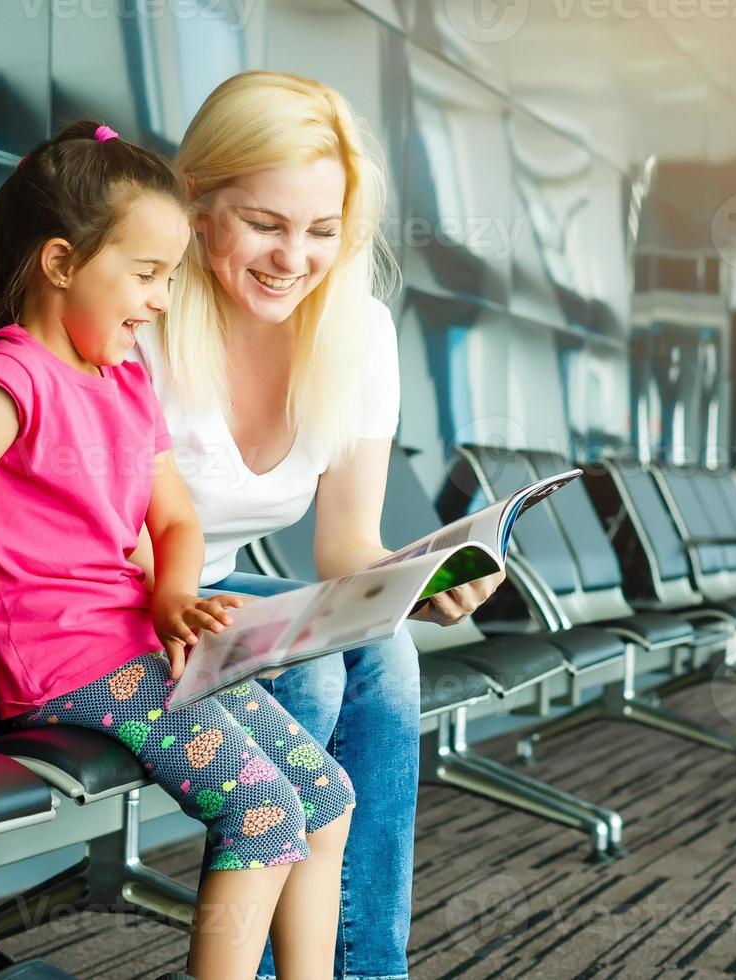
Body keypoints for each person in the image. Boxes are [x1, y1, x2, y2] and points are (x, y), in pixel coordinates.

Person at [0, 121, 355, 980]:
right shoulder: (7, 384)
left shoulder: (128, 377)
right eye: (145, 275)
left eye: (168, 276)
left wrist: (175, 596)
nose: (161, 299)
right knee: (258, 811)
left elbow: (174, 520)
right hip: (69, 666)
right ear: (61, 263)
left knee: (324, 796)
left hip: (139, 647)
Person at [129, 71, 506, 980]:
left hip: (201, 595)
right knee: (312, 673)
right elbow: (84, 535)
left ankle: (366, 970)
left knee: (381, 651)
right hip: (103, 595)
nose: (293, 258)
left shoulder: (356, 331)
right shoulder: (136, 314)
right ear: (196, 202)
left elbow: (344, 549)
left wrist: (422, 576)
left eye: (321, 232)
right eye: (265, 223)